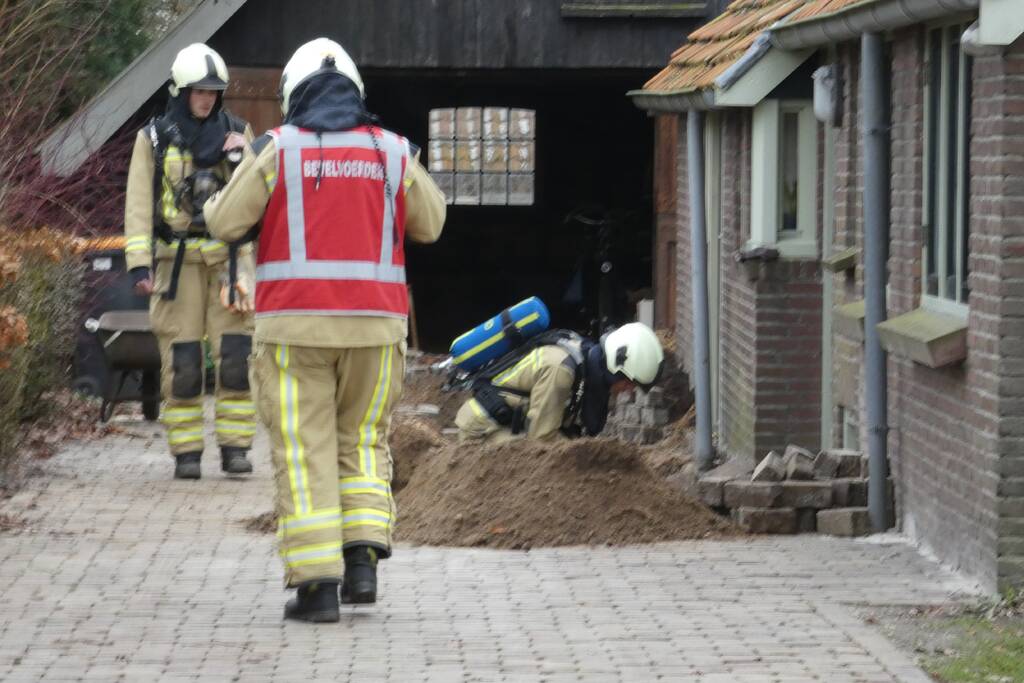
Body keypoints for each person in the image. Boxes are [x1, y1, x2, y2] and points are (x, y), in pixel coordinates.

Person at [204, 38, 446, 622]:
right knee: (363, 441)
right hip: (377, 333)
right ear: (356, 92)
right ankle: (361, 562)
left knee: (305, 449)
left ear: (292, 94)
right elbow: (433, 223)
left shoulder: (278, 149)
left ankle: (317, 591)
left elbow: (224, 222)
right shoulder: (391, 151)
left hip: (295, 331)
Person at [124, 43, 257, 480]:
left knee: (236, 356)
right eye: (199, 91)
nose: (207, 99)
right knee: (182, 361)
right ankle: (186, 453)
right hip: (174, 263)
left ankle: (236, 448)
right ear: (181, 92)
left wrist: (244, 159)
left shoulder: (239, 132)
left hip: (227, 261)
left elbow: (258, 200)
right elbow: (139, 205)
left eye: (213, 92)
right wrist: (139, 264)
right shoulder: (153, 139)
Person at [455, 322, 664, 443]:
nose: (629, 390)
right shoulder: (561, 371)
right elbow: (541, 442)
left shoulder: (588, 363)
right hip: (483, 430)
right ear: (617, 368)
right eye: (630, 382)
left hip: (510, 425)